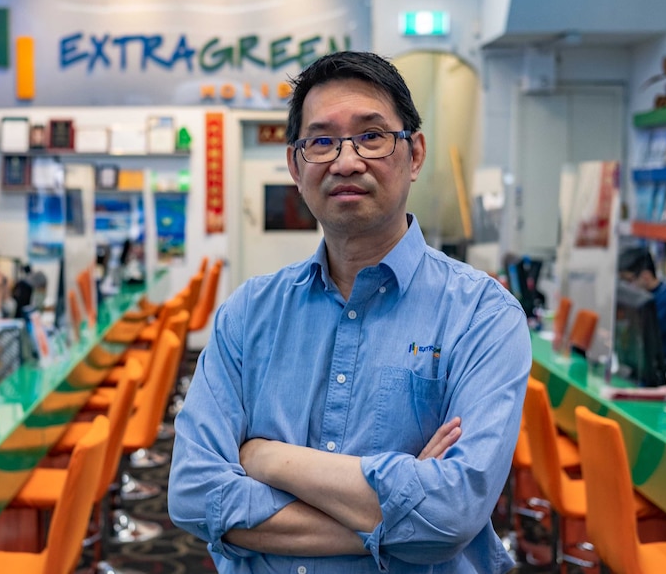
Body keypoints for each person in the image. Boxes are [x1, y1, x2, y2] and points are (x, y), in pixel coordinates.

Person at [167, 51, 531, 573]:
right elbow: (193, 493)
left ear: (416, 152)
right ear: (295, 165)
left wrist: (266, 459)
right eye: (320, 141)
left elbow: (452, 514)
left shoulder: (482, 315)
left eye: (372, 136)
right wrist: (395, 516)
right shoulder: (248, 313)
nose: (345, 161)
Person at [618, 246, 666, 362]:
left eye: (629, 280)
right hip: (646, 361)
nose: (626, 286)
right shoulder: (642, 298)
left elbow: (643, 337)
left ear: (646, 276)